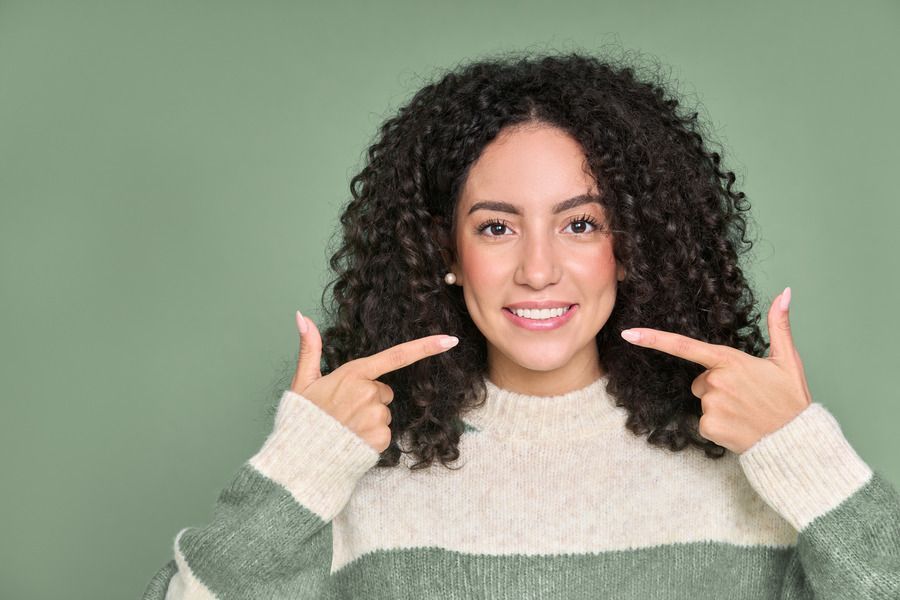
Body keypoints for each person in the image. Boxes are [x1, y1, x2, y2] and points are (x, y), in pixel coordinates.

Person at [143, 50, 900, 599]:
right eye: (497, 228)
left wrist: (806, 455)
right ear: (446, 253)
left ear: (631, 247)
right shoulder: (351, 482)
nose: (539, 269)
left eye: (580, 225)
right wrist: (297, 471)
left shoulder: (755, 472)